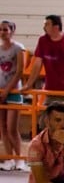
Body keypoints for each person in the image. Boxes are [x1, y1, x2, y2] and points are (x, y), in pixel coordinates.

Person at [21, 14, 64, 124]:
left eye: (47, 24)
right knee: (46, 121)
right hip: (50, 89)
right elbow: (37, 64)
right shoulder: (42, 41)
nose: (44, 27)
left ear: (56, 27)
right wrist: (29, 84)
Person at [0, 19, 26, 171]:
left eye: (5, 30)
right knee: (2, 127)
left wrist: (7, 90)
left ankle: (19, 158)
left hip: (13, 91)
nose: (2, 33)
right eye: (1, 30)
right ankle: (9, 158)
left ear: (12, 31)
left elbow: (19, 71)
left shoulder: (18, 48)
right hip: (1, 90)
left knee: (11, 128)